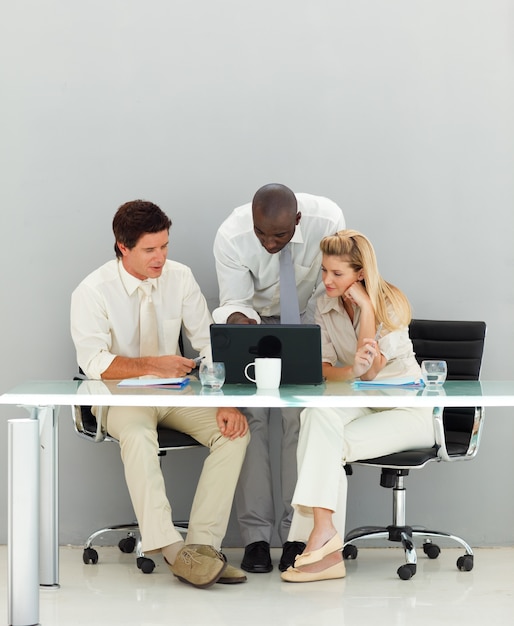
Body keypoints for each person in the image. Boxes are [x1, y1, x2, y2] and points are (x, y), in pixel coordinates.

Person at [71, 200, 250, 589]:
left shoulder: (179, 277)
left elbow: (209, 345)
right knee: (137, 435)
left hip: (175, 393)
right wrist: (153, 364)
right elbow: (94, 362)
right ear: (123, 246)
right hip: (118, 398)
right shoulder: (92, 290)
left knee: (235, 431)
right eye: (150, 249)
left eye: (165, 246)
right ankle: (172, 550)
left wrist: (225, 401)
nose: (161, 257)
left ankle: (202, 550)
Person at [281, 229, 435, 582]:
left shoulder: (390, 301)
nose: (327, 280)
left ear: (360, 273)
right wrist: (349, 370)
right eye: (323, 271)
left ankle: (315, 545)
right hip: (365, 401)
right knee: (316, 416)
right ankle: (323, 534)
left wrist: (366, 306)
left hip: (408, 411)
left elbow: (374, 366)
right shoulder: (324, 304)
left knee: (326, 440)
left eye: (337, 273)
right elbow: (326, 369)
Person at [213, 183, 345, 573]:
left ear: (299, 221)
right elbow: (234, 302)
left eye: (280, 236)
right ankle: (255, 538)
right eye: (261, 234)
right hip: (251, 321)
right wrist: (242, 328)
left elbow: (330, 292)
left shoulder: (328, 220)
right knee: (251, 422)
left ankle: (295, 536)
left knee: (298, 423)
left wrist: (305, 342)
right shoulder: (232, 235)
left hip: (307, 322)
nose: (269, 244)